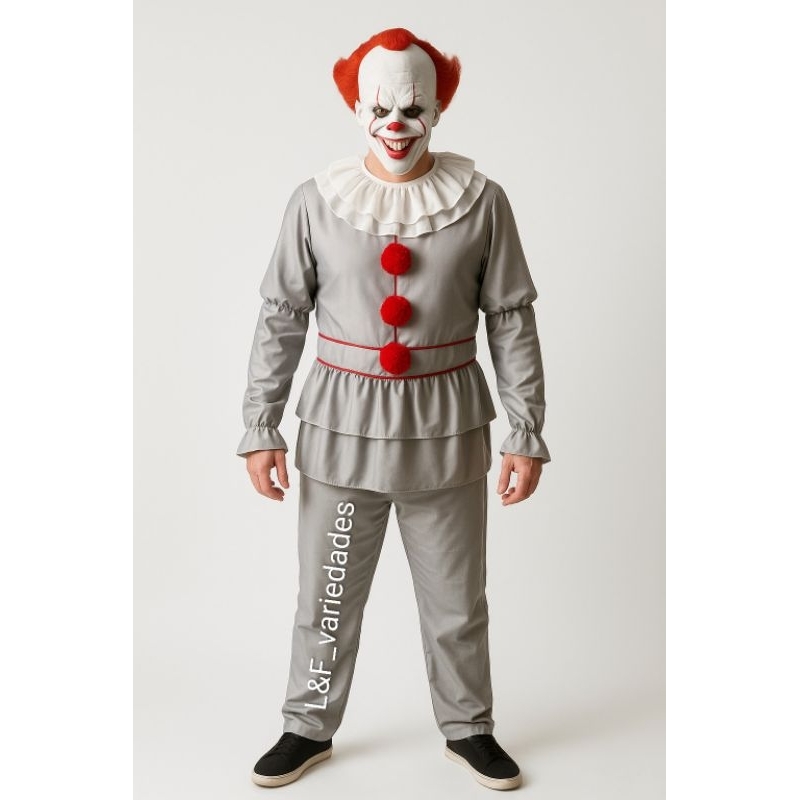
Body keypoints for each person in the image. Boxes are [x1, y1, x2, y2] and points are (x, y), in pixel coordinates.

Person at [237, 27, 551, 791]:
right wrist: (260, 424)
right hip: (341, 435)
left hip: (445, 434)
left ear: (438, 109)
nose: (397, 124)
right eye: (380, 108)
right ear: (357, 108)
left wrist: (526, 431)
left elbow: (510, 318)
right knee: (328, 593)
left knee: (456, 600)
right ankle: (307, 725)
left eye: (413, 108)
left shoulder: (483, 203)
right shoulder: (315, 203)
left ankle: (469, 727)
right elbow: (282, 316)